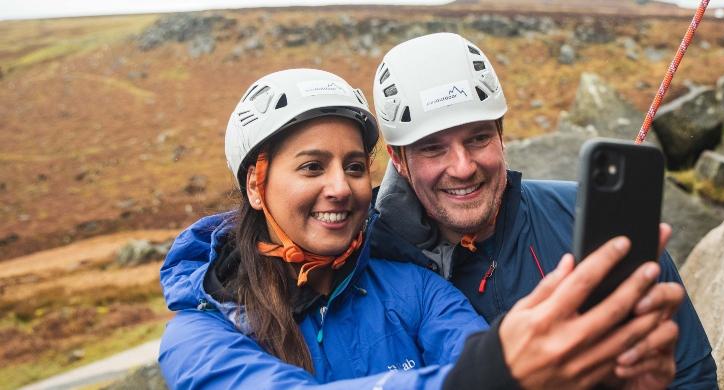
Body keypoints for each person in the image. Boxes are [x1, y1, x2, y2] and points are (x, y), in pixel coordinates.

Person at [158, 68, 684, 389]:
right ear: (257, 185)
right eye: (312, 167)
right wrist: (491, 373)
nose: (341, 187)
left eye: (355, 166)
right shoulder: (200, 333)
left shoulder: (415, 290)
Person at [369, 32, 718, 388]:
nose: (462, 166)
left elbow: (691, 376)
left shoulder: (590, 221)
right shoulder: (368, 265)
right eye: (432, 148)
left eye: (478, 138)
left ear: (501, 135)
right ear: (398, 160)